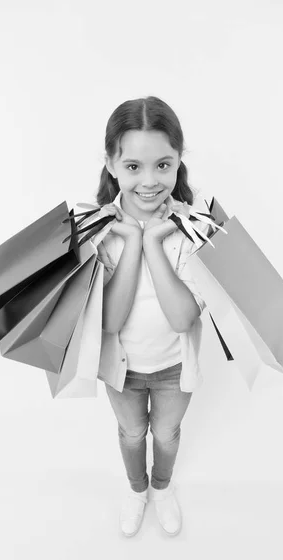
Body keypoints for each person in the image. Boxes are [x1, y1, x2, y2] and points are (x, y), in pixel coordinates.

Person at [94, 96, 209, 537]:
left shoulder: (195, 228)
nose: (149, 181)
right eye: (133, 167)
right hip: (120, 369)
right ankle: (136, 489)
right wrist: (132, 242)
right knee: (130, 435)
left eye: (163, 165)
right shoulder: (98, 232)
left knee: (165, 436)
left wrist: (156, 242)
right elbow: (110, 320)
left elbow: (183, 319)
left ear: (180, 161)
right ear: (111, 164)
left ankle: (162, 488)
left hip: (174, 367)